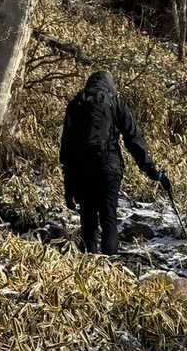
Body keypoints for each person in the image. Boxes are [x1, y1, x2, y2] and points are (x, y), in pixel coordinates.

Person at [60, 71, 170, 256]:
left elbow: (67, 147)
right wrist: (151, 170)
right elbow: (133, 138)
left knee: (88, 219)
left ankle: (89, 263)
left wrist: (68, 186)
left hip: (81, 169)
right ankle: (109, 263)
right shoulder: (115, 102)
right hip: (109, 167)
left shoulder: (76, 104)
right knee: (108, 218)